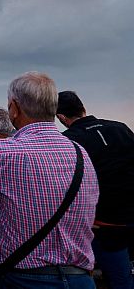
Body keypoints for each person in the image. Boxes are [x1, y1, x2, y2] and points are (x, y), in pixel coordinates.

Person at [0, 72, 99, 288]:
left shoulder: (0, 153)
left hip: (23, 278)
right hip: (80, 278)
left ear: (14, 108)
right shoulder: (81, 154)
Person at [57, 90, 134, 289]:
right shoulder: (121, 128)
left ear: (61, 117)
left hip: (104, 225)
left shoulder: (69, 140)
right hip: (130, 215)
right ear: (83, 108)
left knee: (117, 279)